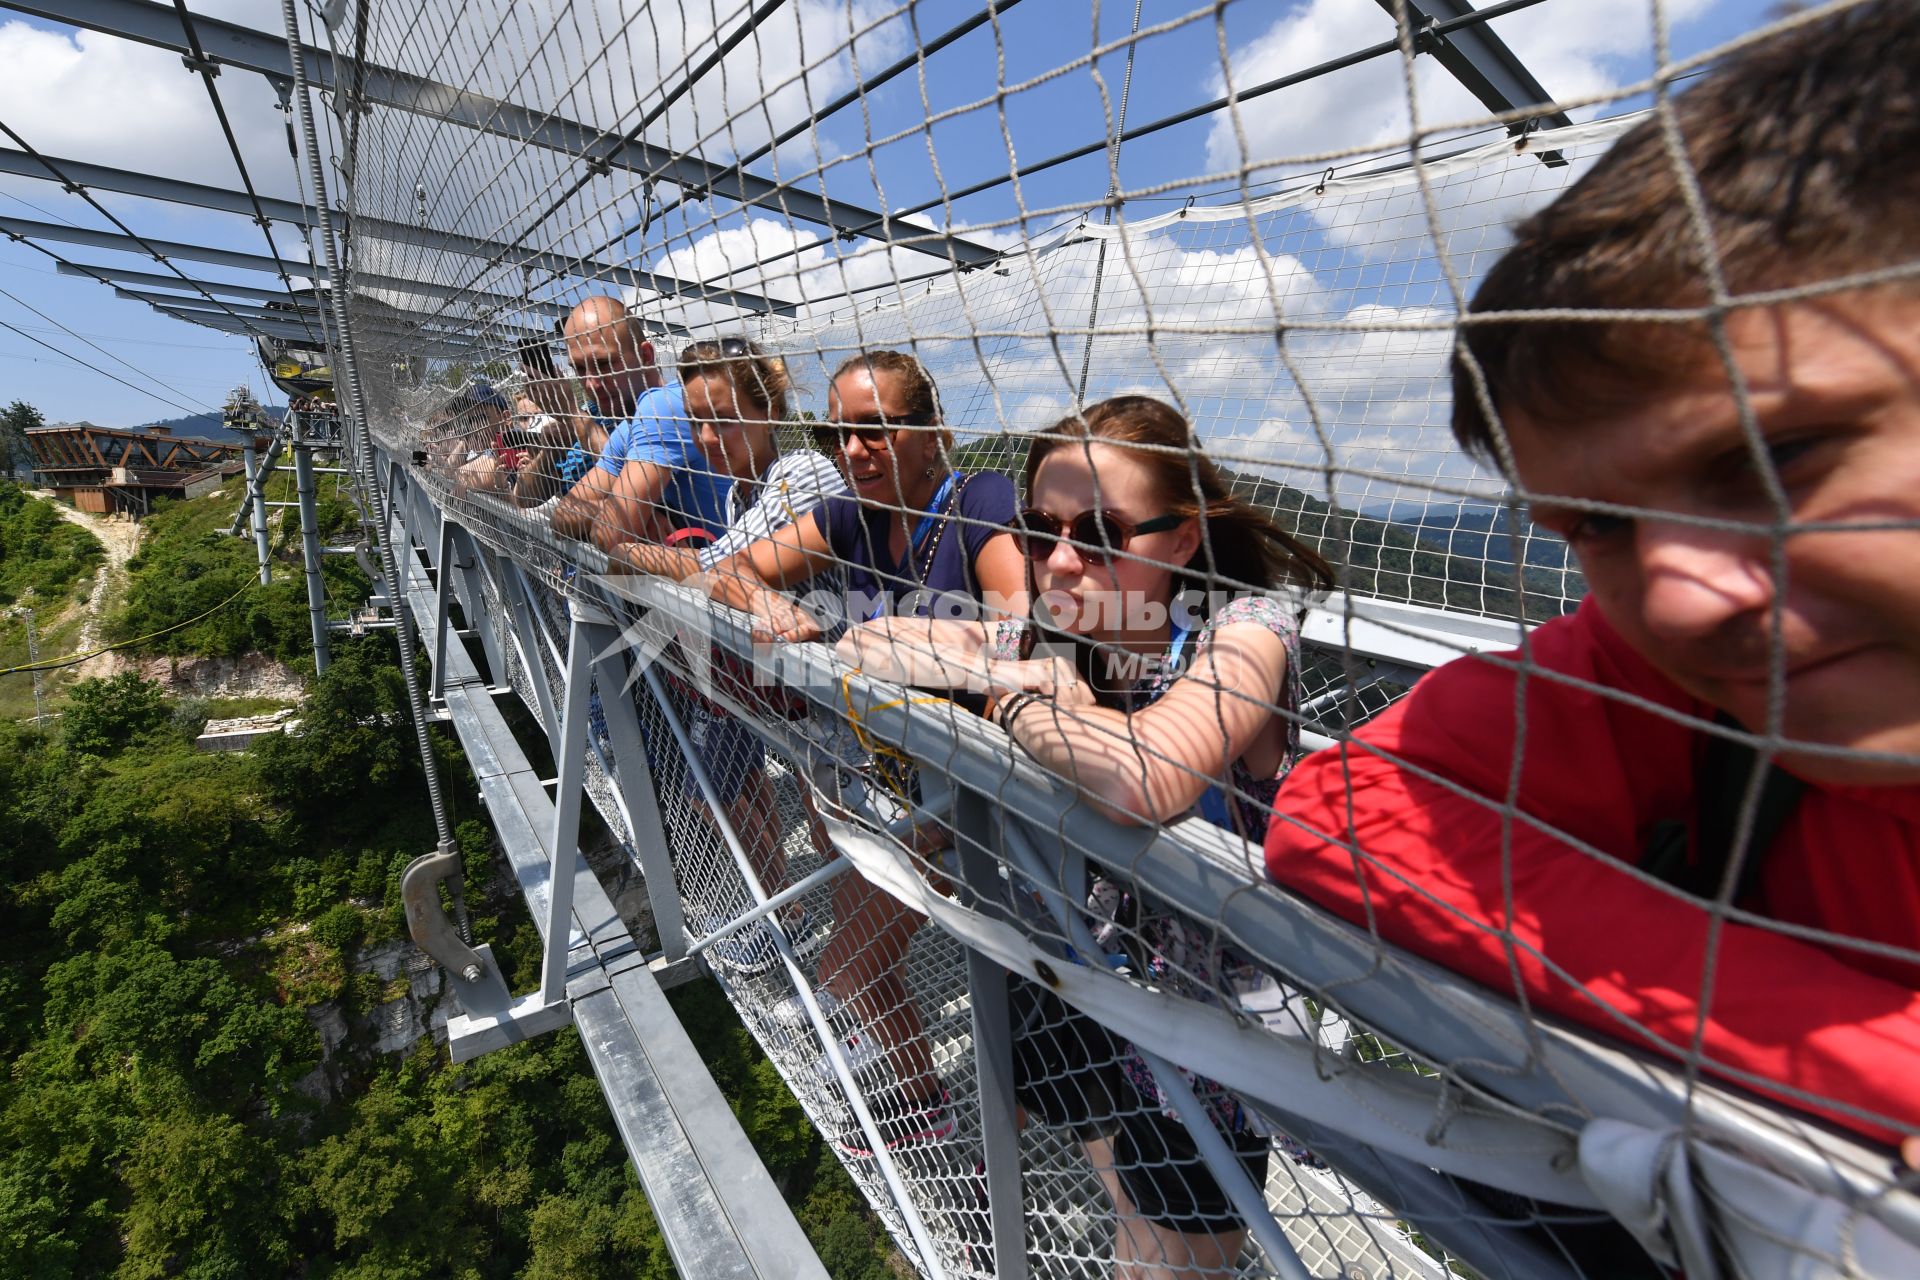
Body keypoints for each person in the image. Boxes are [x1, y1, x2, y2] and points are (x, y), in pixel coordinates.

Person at [1264, 0, 1920, 1151]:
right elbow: (1342, 810)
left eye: (1777, 455)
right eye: (1597, 525)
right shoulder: (1677, 669)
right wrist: (1868, 1059)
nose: (1679, 593)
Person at [840, 394, 1334, 1278]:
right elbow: (878, 639)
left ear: (1182, 541)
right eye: (1040, 530)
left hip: (1209, 1044)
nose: (1062, 562)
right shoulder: (1063, 631)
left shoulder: (1242, 633)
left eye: (1101, 533)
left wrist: (1022, 692)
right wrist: (1020, 668)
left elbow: (1144, 777)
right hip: (1093, 978)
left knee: (1154, 1261)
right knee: (1116, 1182)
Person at [704, 348, 1027, 1155]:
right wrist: (768, 610)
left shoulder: (977, 504)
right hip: (906, 790)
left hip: (980, 801)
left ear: (934, 435)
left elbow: (1026, 631)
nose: (853, 451)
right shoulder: (852, 515)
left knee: (860, 968)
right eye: (840, 433)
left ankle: (995, 1165)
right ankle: (924, 1105)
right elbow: (731, 574)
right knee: (871, 968)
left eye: (878, 431)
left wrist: (900, 642)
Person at [606, 337, 847, 969]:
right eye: (697, 423)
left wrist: (626, 551)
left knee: (846, 845)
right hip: (798, 699)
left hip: (841, 699)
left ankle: (853, 979)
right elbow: (721, 574)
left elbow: (715, 567)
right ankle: (833, 957)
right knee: (827, 834)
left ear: (765, 409)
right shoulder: (745, 491)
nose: (708, 438)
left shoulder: (805, 474)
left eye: (723, 418)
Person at [549, 296, 728, 549]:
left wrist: (625, 514)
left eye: (603, 364)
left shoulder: (663, 408)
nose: (591, 384)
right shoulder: (627, 429)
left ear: (645, 355)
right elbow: (562, 516)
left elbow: (610, 533)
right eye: (579, 369)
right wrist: (644, 514)